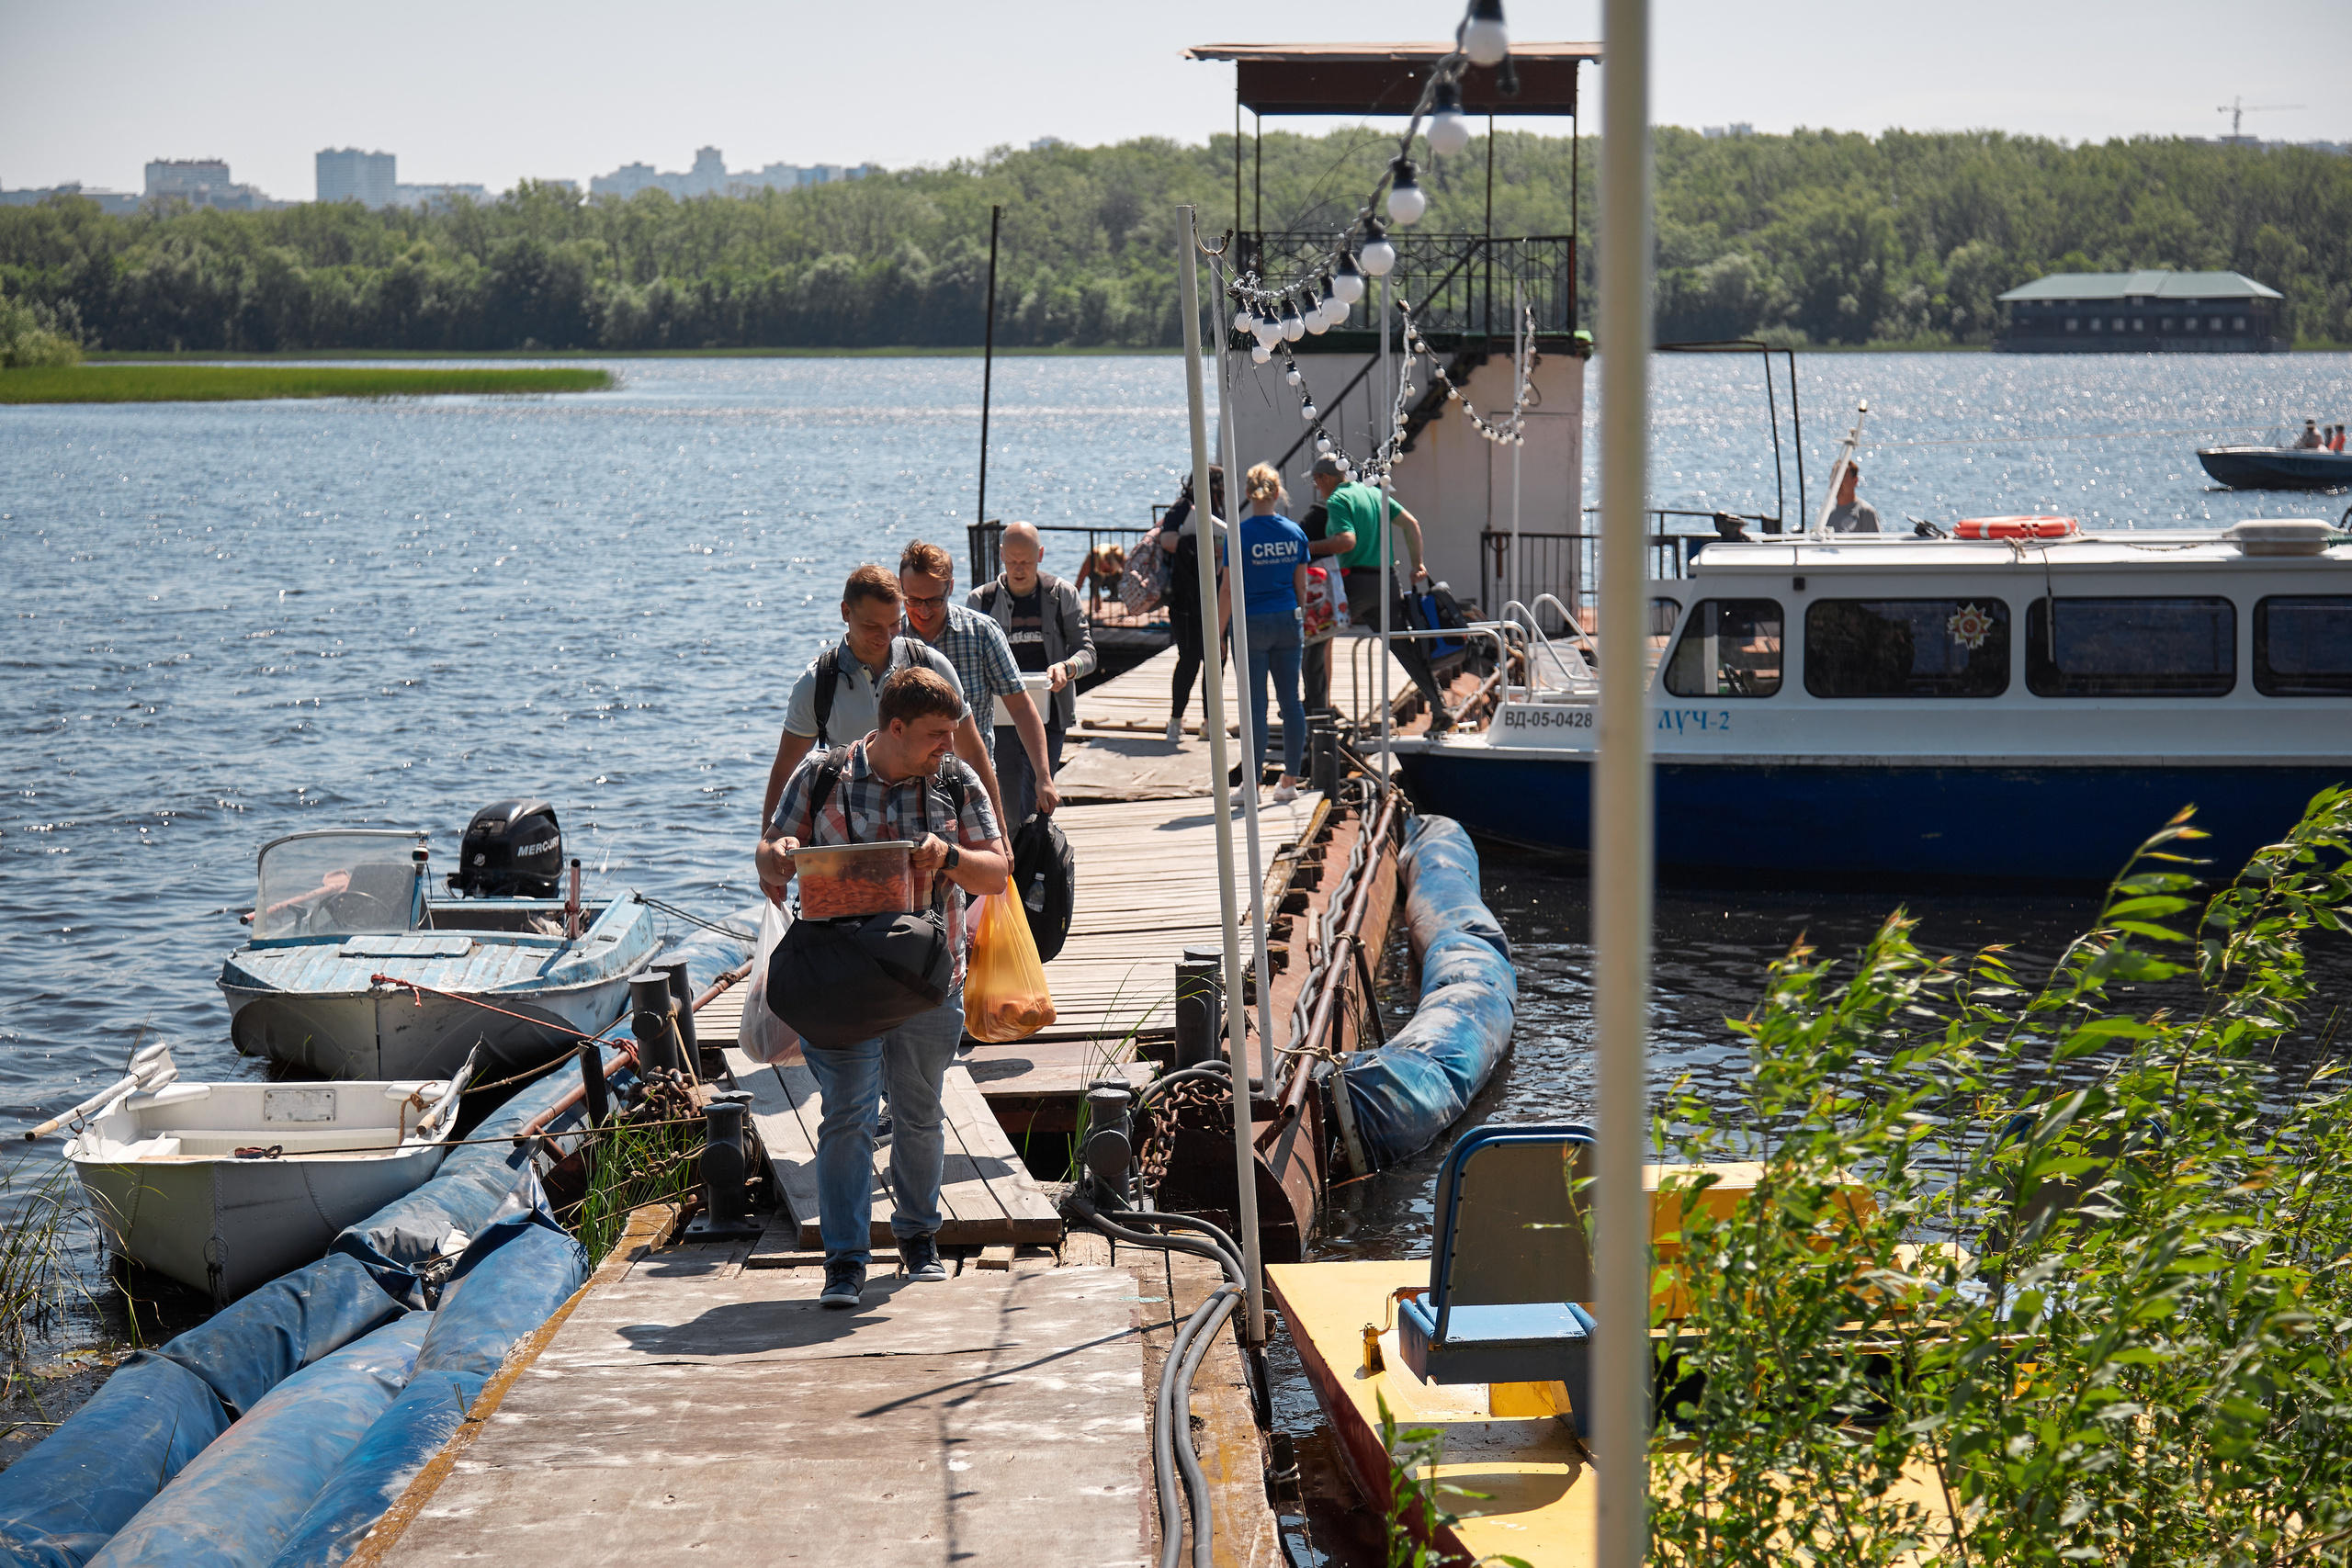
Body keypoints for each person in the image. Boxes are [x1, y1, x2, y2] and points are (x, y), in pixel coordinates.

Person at [755, 666, 1007, 1310]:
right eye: (934, 735)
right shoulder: (821, 774)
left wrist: (947, 856)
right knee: (847, 1115)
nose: (947, 746)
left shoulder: (956, 780)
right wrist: (780, 854)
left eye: (951, 733)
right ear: (893, 727)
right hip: (838, 983)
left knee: (920, 1111)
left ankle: (919, 1239)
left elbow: (999, 873)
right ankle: (844, 1261)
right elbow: (768, 853)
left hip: (927, 981)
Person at [762, 565, 998, 837]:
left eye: (894, 624)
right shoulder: (815, 685)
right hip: (847, 837)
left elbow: (973, 752)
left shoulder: (932, 665)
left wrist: (999, 836)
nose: (885, 637)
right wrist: (768, 854)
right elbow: (785, 770)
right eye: (872, 626)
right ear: (846, 612)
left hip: (929, 831)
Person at [898, 540, 1046, 833]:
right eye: (913, 600)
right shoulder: (891, 640)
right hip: (903, 786)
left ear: (950, 588)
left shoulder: (981, 633)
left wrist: (1043, 776)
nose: (923, 611)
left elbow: (1021, 706)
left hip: (969, 783)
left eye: (934, 601)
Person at [968, 522, 1096, 828]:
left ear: (1040, 555)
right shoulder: (981, 601)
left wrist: (1067, 667)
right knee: (1005, 805)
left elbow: (1088, 653)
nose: (1018, 568)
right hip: (999, 718)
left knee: (1038, 800)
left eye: (1025, 560)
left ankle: (1035, 862)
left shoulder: (1061, 594)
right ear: (1001, 555)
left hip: (1048, 714)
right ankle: (1013, 864)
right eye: (1011, 560)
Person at [1318, 462, 1455, 730]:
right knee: (1404, 646)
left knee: (1317, 635)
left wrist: (1306, 547)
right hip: (1387, 581)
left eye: (1316, 481)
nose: (1317, 488)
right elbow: (1411, 524)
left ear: (1325, 477)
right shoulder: (1374, 493)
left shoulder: (1338, 499)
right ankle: (1440, 709)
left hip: (1354, 581)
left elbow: (1347, 541)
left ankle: (1318, 706)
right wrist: (1417, 564)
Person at [1221, 463, 1310, 805]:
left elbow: (1228, 590)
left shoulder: (1238, 535)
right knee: (1291, 702)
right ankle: (1288, 781)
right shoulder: (1295, 533)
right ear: (1278, 493)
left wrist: (1218, 634)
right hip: (1288, 619)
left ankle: (1252, 785)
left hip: (1252, 623)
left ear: (1247, 493)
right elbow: (1301, 586)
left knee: (1255, 705)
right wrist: (1298, 619)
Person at [1159, 468, 1227, 746]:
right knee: (1189, 659)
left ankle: (1211, 723)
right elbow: (1167, 540)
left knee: (1217, 660)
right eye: (1217, 486)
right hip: (1186, 597)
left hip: (1216, 593)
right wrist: (1200, 542)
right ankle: (1176, 720)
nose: (1219, 492)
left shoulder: (1220, 510)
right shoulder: (1183, 508)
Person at [1824, 465, 1881, 534]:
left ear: (1855, 481)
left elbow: (1875, 543)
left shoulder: (1866, 512)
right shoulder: (1827, 513)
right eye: (1833, 479)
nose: (1837, 484)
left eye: (1841, 479)